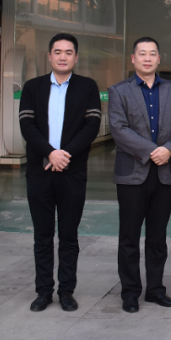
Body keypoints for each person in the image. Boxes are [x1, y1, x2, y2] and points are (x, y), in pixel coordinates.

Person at [18, 33, 102, 312]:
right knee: (42, 236)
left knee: (68, 236)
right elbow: (27, 126)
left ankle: (66, 291)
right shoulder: (33, 87)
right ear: (49, 56)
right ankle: (43, 292)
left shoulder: (87, 87)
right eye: (58, 52)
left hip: (72, 172)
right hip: (39, 172)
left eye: (68, 52)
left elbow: (91, 127)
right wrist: (50, 153)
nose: (63, 57)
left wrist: (64, 155)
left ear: (76, 57)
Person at [108, 37, 171, 313]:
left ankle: (156, 289)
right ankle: (130, 292)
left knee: (158, 236)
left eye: (152, 54)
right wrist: (153, 151)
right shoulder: (119, 91)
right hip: (132, 174)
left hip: (164, 173)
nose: (147, 58)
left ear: (158, 59)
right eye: (141, 54)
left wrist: (169, 149)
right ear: (133, 59)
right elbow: (119, 129)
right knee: (129, 237)